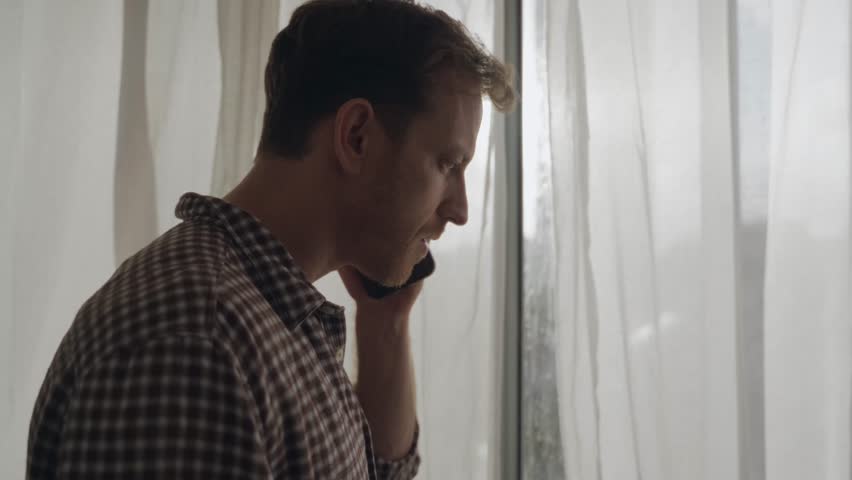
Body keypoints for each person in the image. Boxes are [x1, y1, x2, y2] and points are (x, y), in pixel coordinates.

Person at [26, 0, 515, 478]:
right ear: (357, 137)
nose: (461, 210)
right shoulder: (196, 347)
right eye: (448, 164)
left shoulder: (271, 320)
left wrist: (385, 321)